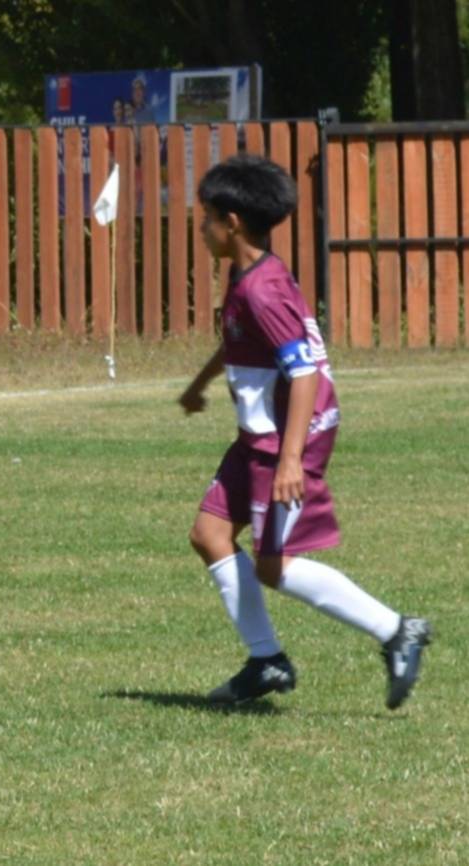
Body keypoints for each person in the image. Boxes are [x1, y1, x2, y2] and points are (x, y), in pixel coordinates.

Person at [180, 155, 430, 709]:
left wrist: (290, 459)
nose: (202, 228)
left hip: (285, 441)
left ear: (232, 223)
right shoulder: (248, 275)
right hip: (259, 437)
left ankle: (397, 630)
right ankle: (266, 661)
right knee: (209, 534)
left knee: (274, 566)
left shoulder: (262, 291)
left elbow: (304, 372)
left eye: (207, 218)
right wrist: (199, 383)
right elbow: (242, 340)